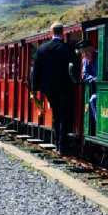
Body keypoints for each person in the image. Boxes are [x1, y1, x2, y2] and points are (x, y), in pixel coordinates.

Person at [31, 22, 75, 154]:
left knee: (56, 114)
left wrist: (35, 87)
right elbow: (74, 68)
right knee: (64, 115)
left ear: (51, 33)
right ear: (63, 33)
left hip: (48, 88)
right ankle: (62, 146)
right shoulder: (68, 48)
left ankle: (56, 143)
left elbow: (36, 70)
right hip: (65, 87)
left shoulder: (42, 49)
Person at [76, 40, 98, 122]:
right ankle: (97, 122)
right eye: (83, 53)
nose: (85, 54)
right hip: (94, 87)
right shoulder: (85, 60)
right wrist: (93, 78)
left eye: (86, 51)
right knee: (92, 98)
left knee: (93, 98)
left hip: (103, 88)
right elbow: (84, 75)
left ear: (92, 49)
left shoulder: (100, 56)